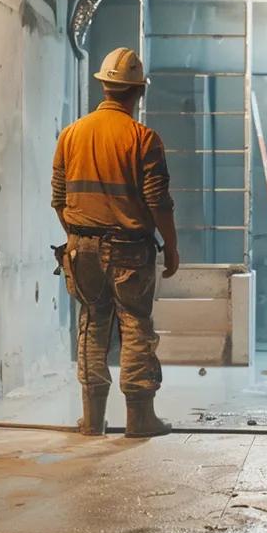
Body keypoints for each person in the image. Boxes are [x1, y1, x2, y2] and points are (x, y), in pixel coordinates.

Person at [51, 47, 180, 437]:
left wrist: (79, 235)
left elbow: (59, 199)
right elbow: (158, 201)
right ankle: (140, 420)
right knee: (135, 327)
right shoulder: (143, 138)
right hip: (129, 251)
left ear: (105, 86)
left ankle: (92, 421)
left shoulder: (71, 134)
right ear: (137, 92)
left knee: (92, 326)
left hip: (81, 248)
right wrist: (171, 246)